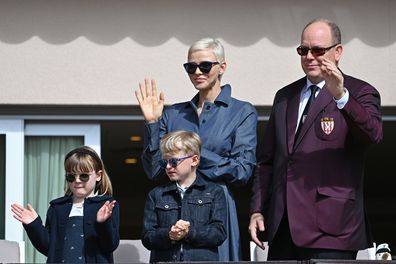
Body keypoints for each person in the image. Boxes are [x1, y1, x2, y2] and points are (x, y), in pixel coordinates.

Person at [249, 18, 383, 261]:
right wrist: (258, 209)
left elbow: (372, 135)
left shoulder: (360, 91)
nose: (310, 56)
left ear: (338, 51)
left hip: (332, 228)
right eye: (303, 50)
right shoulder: (285, 96)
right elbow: (267, 161)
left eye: (318, 50)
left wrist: (341, 96)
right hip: (283, 227)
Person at [135, 37, 257, 261]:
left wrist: (192, 154)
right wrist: (152, 124)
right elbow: (154, 170)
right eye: (190, 67)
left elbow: (242, 171)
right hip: (172, 208)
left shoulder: (242, 111)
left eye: (205, 65)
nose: (197, 72)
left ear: (222, 67)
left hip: (216, 210)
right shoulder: (174, 114)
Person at [11, 146, 120, 263]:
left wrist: (102, 223)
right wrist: (34, 225)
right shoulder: (57, 208)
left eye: (84, 176)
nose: (77, 180)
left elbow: (110, 245)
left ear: (98, 175)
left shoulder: (106, 206)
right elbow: (49, 247)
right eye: (71, 176)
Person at [142, 130, 227, 262]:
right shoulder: (156, 195)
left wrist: (189, 232)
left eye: (174, 161)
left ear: (194, 160)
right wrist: (169, 234)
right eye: (164, 163)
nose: (168, 167)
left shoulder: (214, 192)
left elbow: (218, 234)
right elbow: (147, 237)